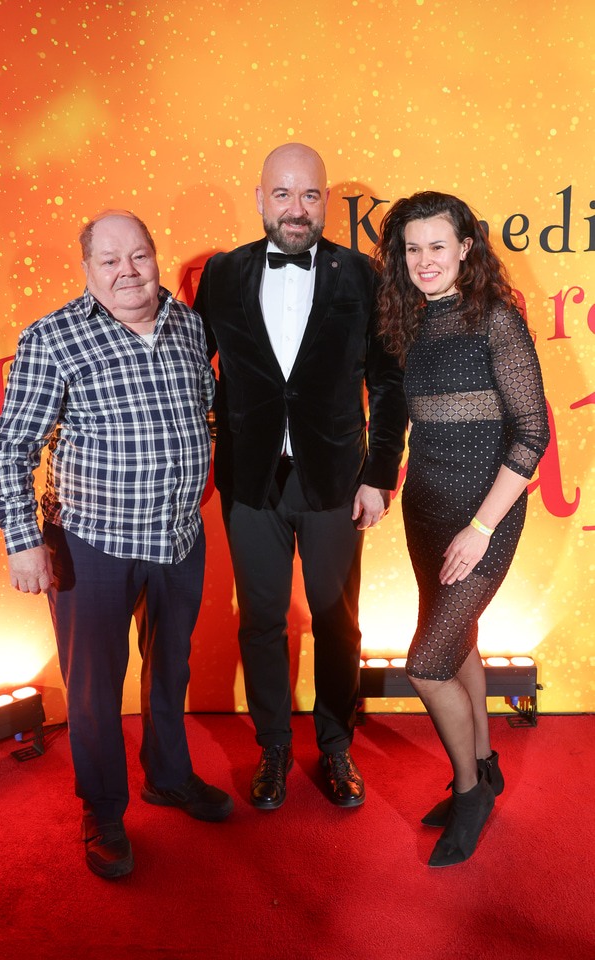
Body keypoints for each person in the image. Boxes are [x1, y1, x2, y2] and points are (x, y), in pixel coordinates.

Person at [0, 210, 233, 880]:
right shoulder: (52, 336)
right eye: (110, 260)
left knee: (170, 669)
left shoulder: (188, 325)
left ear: (155, 256)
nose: (128, 272)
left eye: (139, 257)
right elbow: (12, 448)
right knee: (95, 687)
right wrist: (22, 543)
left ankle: (168, 778)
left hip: (178, 535)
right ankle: (101, 809)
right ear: (87, 269)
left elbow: (203, 412)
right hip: (90, 541)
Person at [194, 143, 407, 810]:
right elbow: (192, 370)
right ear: (260, 198)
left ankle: (336, 744)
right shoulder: (221, 274)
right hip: (250, 481)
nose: (296, 208)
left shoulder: (364, 276)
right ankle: (273, 746)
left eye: (309, 195)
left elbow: (389, 384)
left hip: (335, 481)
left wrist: (378, 476)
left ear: (325, 202)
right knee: (260, 620)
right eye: (282, 194)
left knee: (336, 622)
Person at [374, 191, 550, 867]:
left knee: (426, 664)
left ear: (465, 248)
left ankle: (471, 793)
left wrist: (479, 528)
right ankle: (483, 762)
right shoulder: (408, 321)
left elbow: (531, 435)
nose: (424, 260)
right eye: (412, 248)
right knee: (460, 641)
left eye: (437, 246)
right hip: (425, 513)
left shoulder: (496, 320)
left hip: (485, 519)